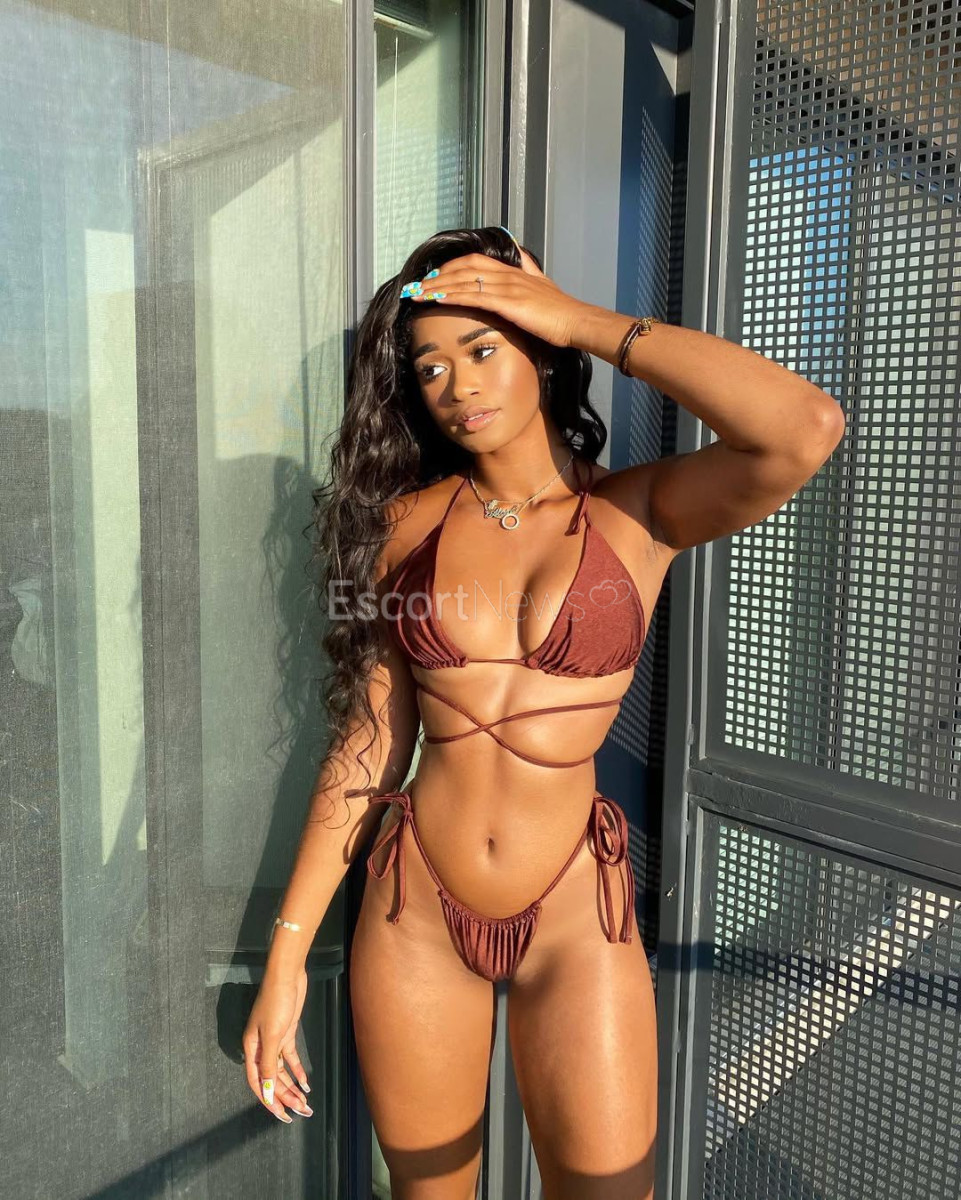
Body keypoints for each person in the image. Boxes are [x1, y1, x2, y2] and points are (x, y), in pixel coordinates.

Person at [242, 225, 845, 1198]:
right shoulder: (405, 528)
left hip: (572, 914)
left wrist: (579, 318)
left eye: (482, 349)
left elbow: (803, 427)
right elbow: (370, 743)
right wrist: (286, 954)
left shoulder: (639, 514)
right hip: (414, 909)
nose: (456, 386)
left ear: (538, 350)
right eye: (429, 367)